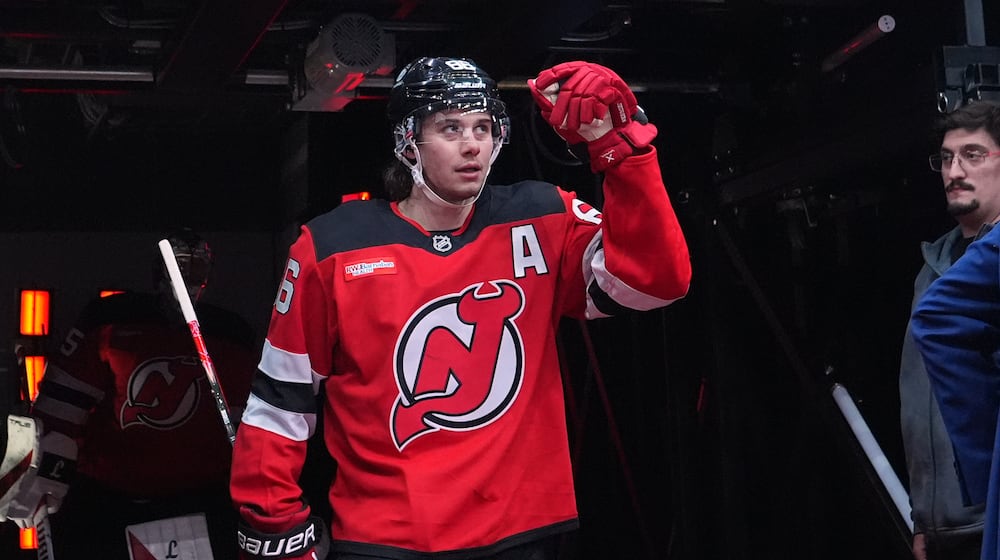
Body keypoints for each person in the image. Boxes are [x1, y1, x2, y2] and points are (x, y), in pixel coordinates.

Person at [229, 56, 691, 560]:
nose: (473, 144)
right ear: (408, 139)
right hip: (387, 539)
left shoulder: (540, 215)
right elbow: (281, 401)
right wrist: (273, 521)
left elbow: (654, 283)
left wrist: (617, 149)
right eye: (450, 127)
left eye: (483, 127)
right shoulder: (332, 245)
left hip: (523, 530)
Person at [7, 229, 257, 560]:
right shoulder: (108, 320)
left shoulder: (233, 335)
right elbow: (62, 407)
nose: (188, 278)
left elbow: (255, 424)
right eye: (181, 266)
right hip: (110, 501)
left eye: (197, 268)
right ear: (161, 270)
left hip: (202, 500)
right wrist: (46, 468)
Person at [900, 101, 1000, 559]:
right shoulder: (932, 267)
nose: (954, 169)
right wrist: (924, 518)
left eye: (973, 154)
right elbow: (920, 402)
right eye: (946, 157)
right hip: (943, 527)